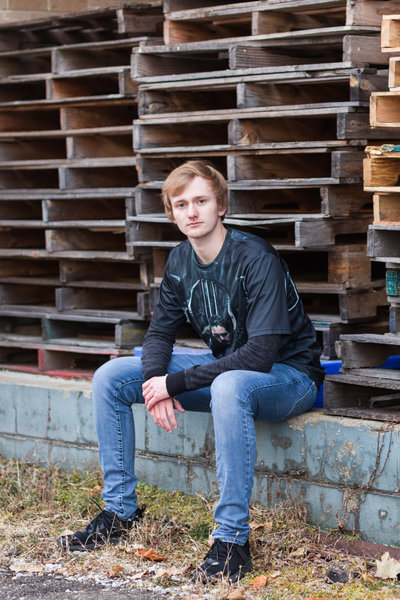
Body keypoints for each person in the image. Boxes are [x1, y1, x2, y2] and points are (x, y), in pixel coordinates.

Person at [58, 160, 324, 582]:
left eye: (201, 200)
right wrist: (153, 384)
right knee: (112, 375)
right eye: (181, 204)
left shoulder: (256, 257)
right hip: (230, 373)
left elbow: (259, 355)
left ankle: (232, 542)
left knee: (230, 384)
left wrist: (174, 384)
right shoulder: (180, 261)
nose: (192, 211)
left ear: (221, 205)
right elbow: (159, 335)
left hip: (288, 376)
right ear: (172, 213)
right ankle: (119, 513)